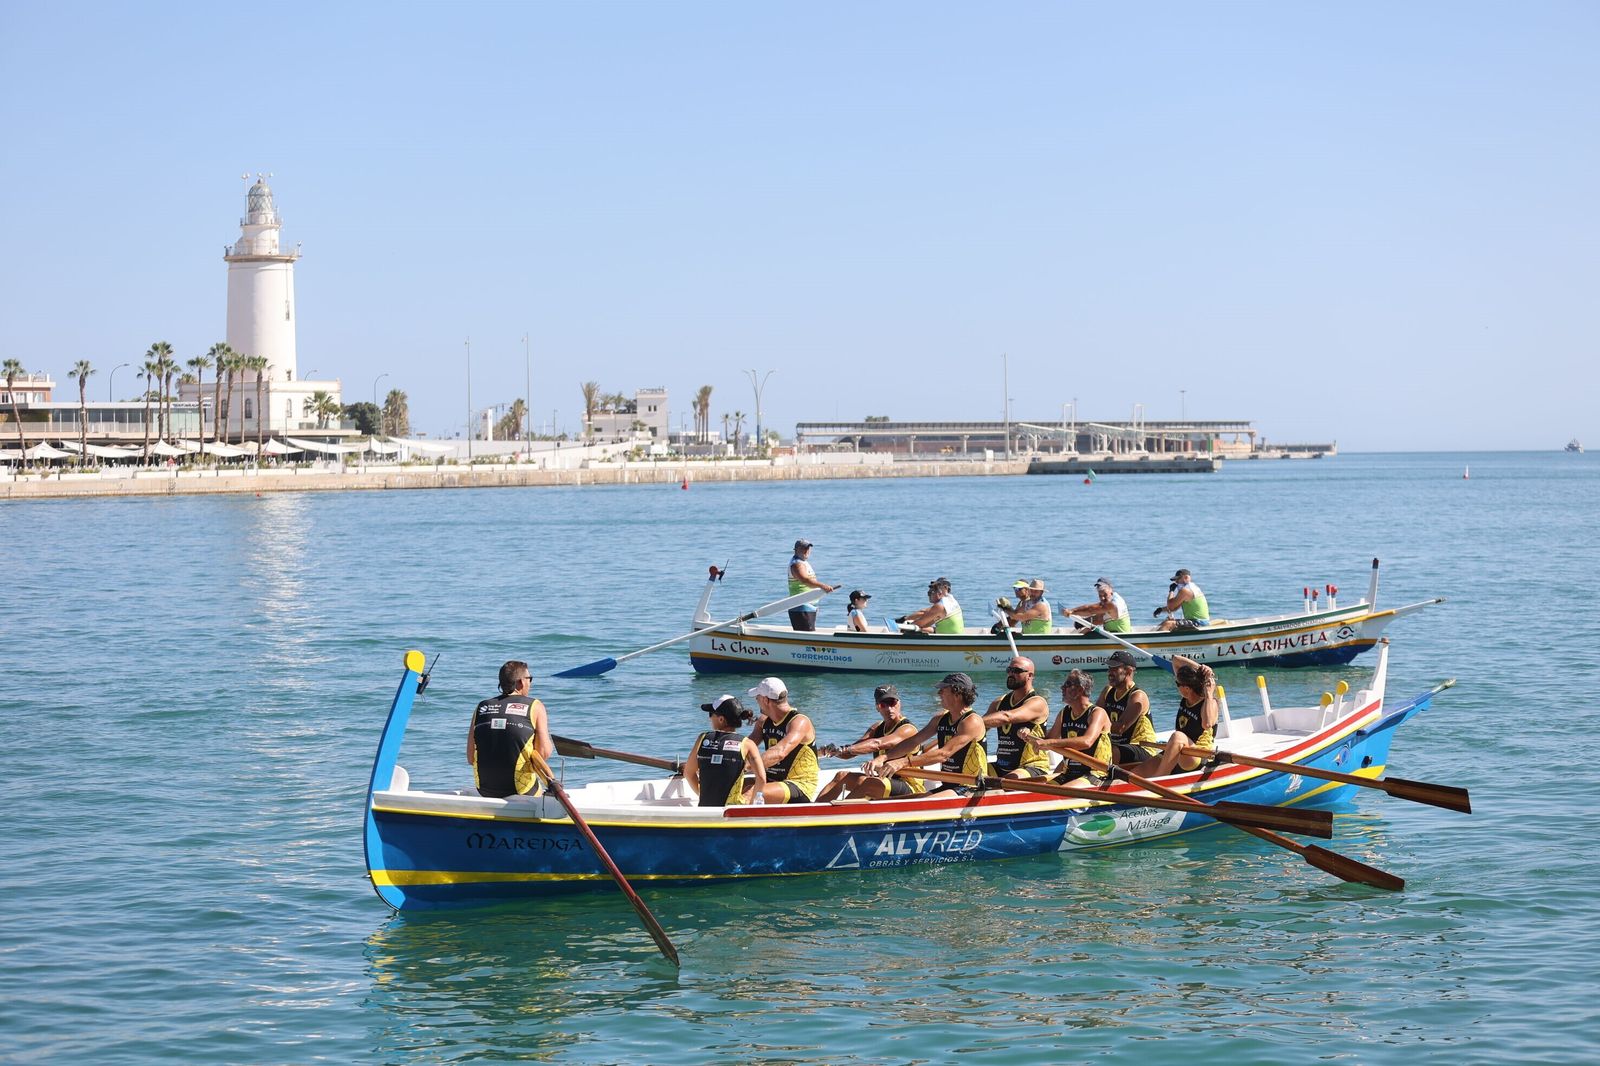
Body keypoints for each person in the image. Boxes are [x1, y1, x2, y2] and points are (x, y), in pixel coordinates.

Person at [866, 672, 989, 795]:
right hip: (948, 785)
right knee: (909, 802)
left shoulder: (972, 721)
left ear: (957, 694)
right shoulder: (940, 718)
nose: (939, 693)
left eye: (943, 690)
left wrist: (902, 762)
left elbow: (944, 754)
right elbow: (914, 741)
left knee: (921, 806)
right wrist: (884, 757)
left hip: (972, 786)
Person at [814, 683, 924, 801]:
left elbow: (877, 744)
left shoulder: (908, 729)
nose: (889, 708)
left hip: (910, 786)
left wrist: (845, 749)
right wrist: (834, 752)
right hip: (885, 780)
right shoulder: (876, 728)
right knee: (841, 776)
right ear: (877, 707)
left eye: (892, 703)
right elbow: (850, 752)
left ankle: (837, 814)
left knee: (869, 783)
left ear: (899, 703)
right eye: (883, 704)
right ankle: (814, 812)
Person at [466, 660, 553, 798]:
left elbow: (471, 758)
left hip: (484, 790)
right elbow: (543, 753)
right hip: (521, 792)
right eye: (530, 679)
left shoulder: (482, 707)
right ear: (520, 682)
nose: (530, 683)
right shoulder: (535, 706)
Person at [1020, 669, 1113, 786]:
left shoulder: (1097, 713)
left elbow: (1087, 741)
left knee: (1056, 795)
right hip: (1069, 773)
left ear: (1080, 689)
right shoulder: (1064, 713)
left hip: (1096, 773)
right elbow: (1048, 739)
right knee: (1041, 793)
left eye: (1067, 684)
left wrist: (1050, 742)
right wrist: (1029, 735)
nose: (1062, 688)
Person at [1138, 655, 1219, 778]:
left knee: (1178, 736)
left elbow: (1207, 724)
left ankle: (1160, 779)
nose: (1176, 685)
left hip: (1198, 755)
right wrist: (1202, 669)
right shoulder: (1186, 697)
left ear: (1187, 688)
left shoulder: (1209, 702)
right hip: (1180, 752)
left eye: (1177, 684)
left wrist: (1209, 693)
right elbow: (1175, 660)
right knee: (1137, 772)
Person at [746, 676, 821, 803]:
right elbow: (746, 746)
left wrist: (746, 766)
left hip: (799, 785)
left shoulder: (799, 721)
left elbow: (780, 752)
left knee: (750, 793)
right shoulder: (763, 721)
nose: (756, 700)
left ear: (765, 700)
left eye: (757, 698)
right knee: (730, 785)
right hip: (772, 780)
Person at [684, 695, 767, 806]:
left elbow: (688, 773)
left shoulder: (702, 738)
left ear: (721, 719)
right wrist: (752, 804)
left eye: (711, 714)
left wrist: (703, 795)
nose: (709, 718)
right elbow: (761, 778)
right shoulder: (747, 744)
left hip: (706, 807)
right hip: (733, 810)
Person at [983, 656, 1052, 778]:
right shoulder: (999, 702)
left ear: (1030, 676)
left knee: (1009, 780)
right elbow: (980, 729)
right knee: (968, 774)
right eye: (1009, 670)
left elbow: (1007, 717)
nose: (1011, 674)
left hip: (1032, 766)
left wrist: (970, 722)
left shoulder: (1037, 702)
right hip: (1001, 766)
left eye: (1016, 671)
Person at [1095, 650, 1163, 764]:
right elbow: (1093, 715)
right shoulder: (1107, 691)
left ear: (1129, 671)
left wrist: (1095, 726)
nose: (1109, 672)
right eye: (1109, 668)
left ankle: (1102, 777)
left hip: (1142, 748)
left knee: (1111, 751)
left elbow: (1121, 728)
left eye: (1114, 668)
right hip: (1117, 745)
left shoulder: (1137, 696)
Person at [787, 539, 839, 631]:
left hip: (808, 606)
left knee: (809, 633)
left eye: (808, 548)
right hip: (801, 605)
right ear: (796, 549)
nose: (806, 551)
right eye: (803, 548)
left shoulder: (803, 562)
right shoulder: (797, 564)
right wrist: (823, 586)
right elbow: (805, 580)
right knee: (806, 637)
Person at [1061, 577, 1131, 634]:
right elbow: (1100, 618)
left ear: (1110, 589)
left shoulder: (1114, 603)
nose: (1102, 598)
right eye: (1100, 595)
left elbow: (1090, 610)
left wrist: (1071, 611)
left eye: (1105, 594)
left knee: (1087, 633)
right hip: (1114, 633)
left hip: (1120, 636)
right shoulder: (1111, 599)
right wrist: (1082, 622)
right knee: (1087, 630)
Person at [897, 577, 965, 634]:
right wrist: (905, 619)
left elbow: (919, 623)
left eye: (932, 591)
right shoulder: (951, 600)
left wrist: (905, 628)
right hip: (951, 634)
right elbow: (925, 613)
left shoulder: (940, 606)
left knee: (911, 629)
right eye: (929, 592)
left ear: (940, 592)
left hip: (949, 641)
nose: (929, 595)